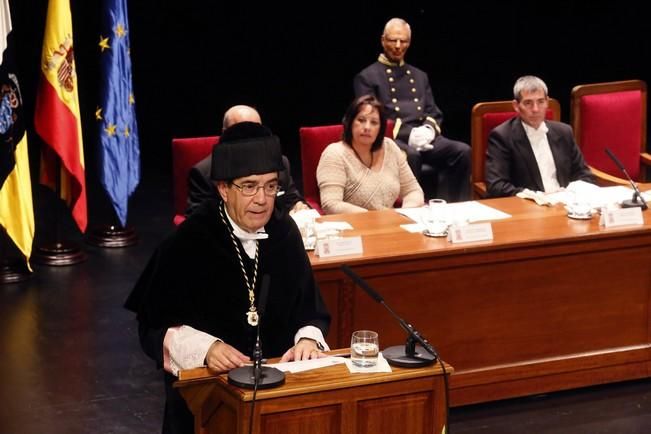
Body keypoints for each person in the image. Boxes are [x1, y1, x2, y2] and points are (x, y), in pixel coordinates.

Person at [125, 122, 330, 434]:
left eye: (271, 186)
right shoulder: (189, 240)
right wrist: (205, 349)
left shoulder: (284, 233)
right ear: (223, 189)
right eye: (249, 186)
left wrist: (306, 337)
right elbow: (152, 327)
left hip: (279, 401)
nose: (262, 199)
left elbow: (309, 308)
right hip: (206, 404)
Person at [353, 17, 471, 202]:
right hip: (391, 138)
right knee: (411, 155)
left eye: (404, 41)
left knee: (462, 151)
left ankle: (452, 207)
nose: (398, 46)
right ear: (383, 40)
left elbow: (433, 111)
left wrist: (428, 130)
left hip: (423, 137)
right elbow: (371, 117)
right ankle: (411, 211)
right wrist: (409, 135)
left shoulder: (419, 75)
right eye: (393, 40)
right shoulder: (367, 77)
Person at [186, 105, 309, 217]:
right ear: (225, 133)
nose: (252, 139)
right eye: (243, 132)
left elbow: (292, 199)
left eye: (257, 131)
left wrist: (299, 207)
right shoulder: (204, 172)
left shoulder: (279, 162)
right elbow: (197, 221)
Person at [485, 75, 595, 198]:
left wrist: (570, 193)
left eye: (540, 102)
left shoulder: (564, 132)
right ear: (516, 106)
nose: (536, 109)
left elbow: (584, 175)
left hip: (566, 204)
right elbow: (497, 186)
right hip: (528, 207)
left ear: (547, 102)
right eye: (528, 103)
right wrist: (537, 197)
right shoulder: (502, 136)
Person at [316, 95, 424, 214]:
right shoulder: (334, 153)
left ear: (380, 128)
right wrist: (373, 218)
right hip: (353, 227)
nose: (367, 127)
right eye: (361, 120)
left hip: (391, 223)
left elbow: (413, 191)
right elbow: (331, 204)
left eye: (374, 122)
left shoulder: (390, 147)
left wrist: (404, 213)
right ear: (350, 122)